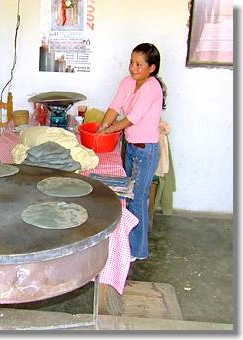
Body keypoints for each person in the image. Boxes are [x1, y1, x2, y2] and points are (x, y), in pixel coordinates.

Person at [97, 43, 167, 261]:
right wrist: (101, 127)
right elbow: (114, 107)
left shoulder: (152, 87)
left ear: (152, 68)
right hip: (131, 148)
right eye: (131, 62)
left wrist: (108, 130)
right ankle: (128, 245)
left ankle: (138, 251)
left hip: (146, 151)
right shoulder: (127, 82)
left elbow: (132, 118)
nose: (133, 68)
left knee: (138, 199)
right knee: (127, 197)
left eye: (139, 64)